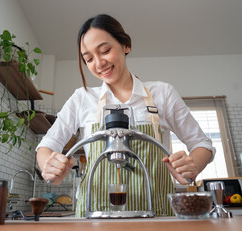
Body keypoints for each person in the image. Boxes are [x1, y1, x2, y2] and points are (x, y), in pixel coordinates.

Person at [36, 14, 215, 217]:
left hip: (157, 217)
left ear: (125, 45)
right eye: (89, 59)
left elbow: (203, 144)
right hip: (94, 217)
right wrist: (50, 168)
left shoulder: (162, 94)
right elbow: (46, 146)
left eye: (105, 50)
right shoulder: (81, 98)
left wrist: (191, 166)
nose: (99, 63)